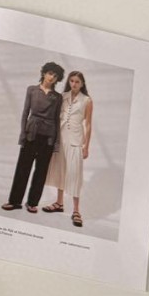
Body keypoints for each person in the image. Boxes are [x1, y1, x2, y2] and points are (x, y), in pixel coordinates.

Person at [1, 61, 65, 213]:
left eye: (55, 76)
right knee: (22, 168)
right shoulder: (32, 90)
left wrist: (56, 142)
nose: (52, 77)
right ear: (44, 73)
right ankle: (15, 201)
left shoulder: (57, 97)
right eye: (50, 73)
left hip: (48, 137)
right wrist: (22, 134)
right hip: (31, 134)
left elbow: (57, 119)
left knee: (41, 172)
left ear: (58, 79)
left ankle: (32, 203)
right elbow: (25, 113)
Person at [42, 70, 92, 227]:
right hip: (61, 138)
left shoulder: (87, 100)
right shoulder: (62, 96)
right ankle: (59, 203)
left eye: (77, 82)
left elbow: (88, 124)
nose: (74, 84)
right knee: (60, 171)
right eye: (72, 81)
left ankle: (76, 210)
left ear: (82, 84)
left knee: (75, 174)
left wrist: (86, 146)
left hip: (76, 141)